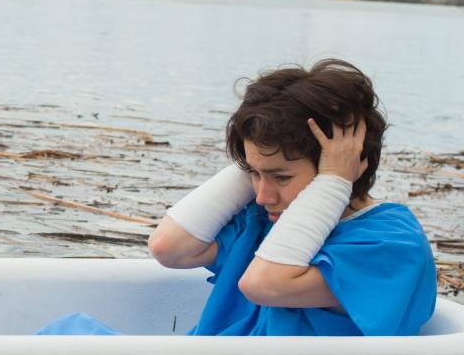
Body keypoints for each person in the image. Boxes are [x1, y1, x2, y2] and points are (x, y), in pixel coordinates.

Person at [38, 59, 436, 336]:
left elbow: (266, 284)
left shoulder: (388, 245)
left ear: (348, 163)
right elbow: (169, 248)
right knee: (64, 334)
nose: (262, 195)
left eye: (280, 177)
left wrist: (334, 182)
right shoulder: (265, 219)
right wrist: (257, 156)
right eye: (253, 175)